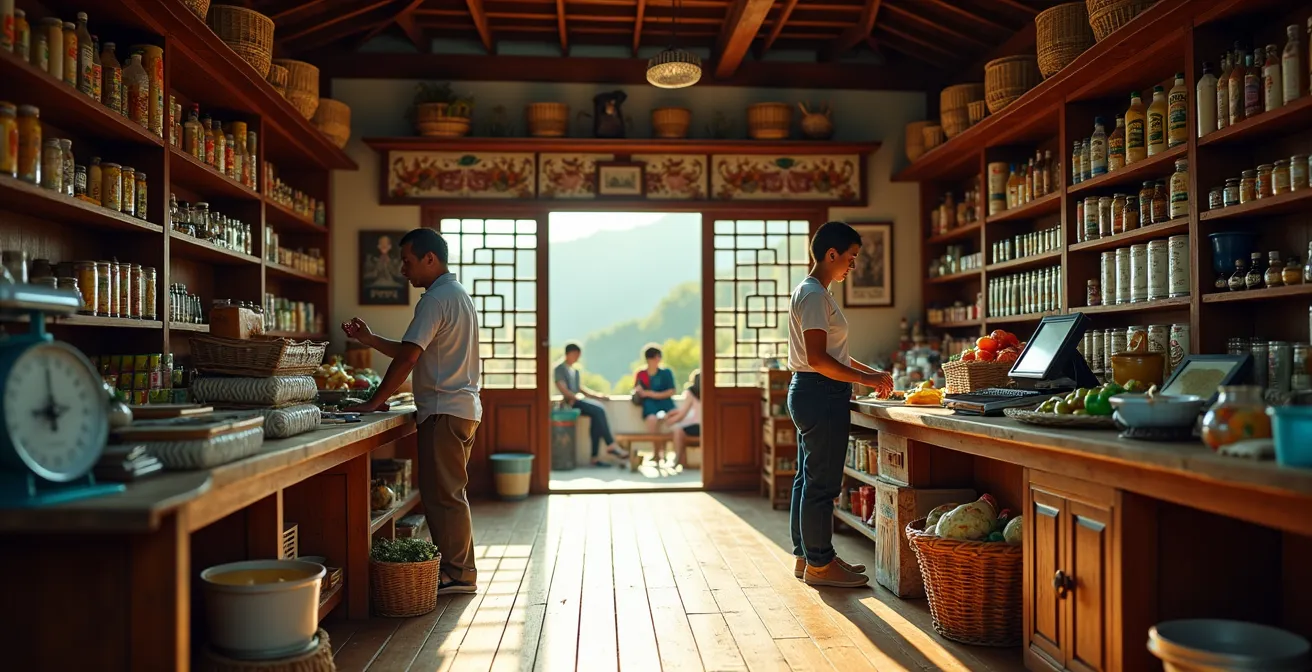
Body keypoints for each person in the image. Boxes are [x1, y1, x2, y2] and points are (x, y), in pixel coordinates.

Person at [341, 227, 483, 596]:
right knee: (446, 494)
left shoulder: (435, 299)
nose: (403, 269)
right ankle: (457, 570)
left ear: (429, 259)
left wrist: (374, 401)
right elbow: (412, 349)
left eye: (407, 261)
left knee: (445, 496)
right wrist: (370, 339)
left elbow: (408, 358)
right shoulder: (457, 294)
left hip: (444, 411)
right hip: (460, 409)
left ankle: (458, 574)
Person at [788, 221, 894, 588]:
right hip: (821, 392)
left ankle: (808, 557)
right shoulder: (815, 295)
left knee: (807, 479)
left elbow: (834, 356)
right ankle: (820, 564)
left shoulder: (812, 291)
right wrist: (866, 379)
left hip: (811, 390)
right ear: (831, 254)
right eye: (850, 257)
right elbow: (818, 359)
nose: (853, 265)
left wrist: (871, 374)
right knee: (821, 484)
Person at [554, 342, 628, 466]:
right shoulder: (559, 369)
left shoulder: (575, 371)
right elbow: (562, 388)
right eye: (576, 355)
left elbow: (580, 389)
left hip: (577, 400)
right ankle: (610, 445)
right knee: (599, 410)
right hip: (570, 404)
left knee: (597, 417)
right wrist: (574, 398)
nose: (577, 358)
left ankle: (595, 457)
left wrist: (598, 396)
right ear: (569, 354)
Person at [631, 344, 676, 432]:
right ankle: (655, 441)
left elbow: (672, 391)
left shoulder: (666, 373)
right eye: (655, 357)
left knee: (673, 420)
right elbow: (637, 390)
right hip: (650, 405)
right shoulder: (641, 374)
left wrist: (651, 394)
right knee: (652, 420)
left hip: (666, 403)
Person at [662, 370, 701, 467]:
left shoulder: (691, 393)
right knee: (679, 431)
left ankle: (677, 459)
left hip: (696, 426)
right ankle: (680, 461)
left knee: (678, 431)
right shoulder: (711, 392)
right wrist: (674, 414)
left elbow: (683, 414)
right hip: (708, 427)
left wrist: (669, 421)